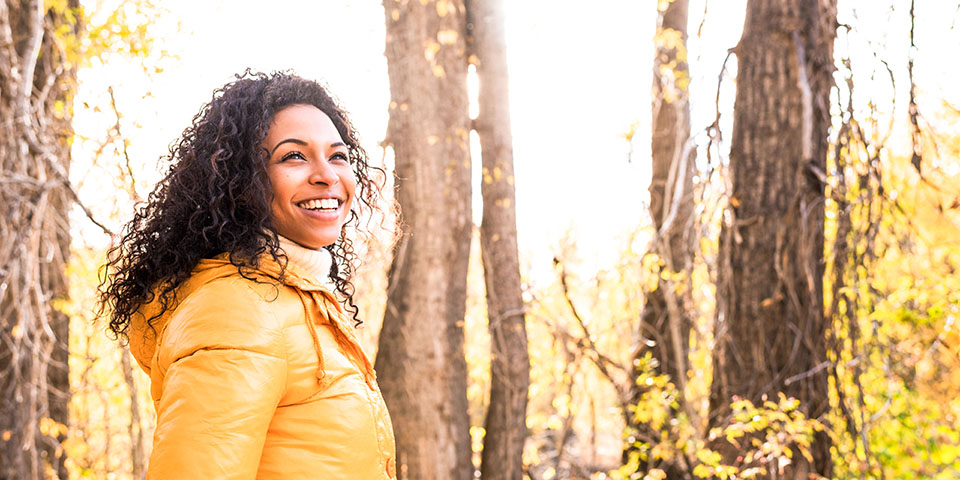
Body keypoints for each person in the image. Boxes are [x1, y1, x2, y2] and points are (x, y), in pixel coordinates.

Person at [98, 70, 397, 479]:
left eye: (338, 155)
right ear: (240, 182)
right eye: (294, 156)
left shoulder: (299, 300)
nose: (327, 174)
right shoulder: (238, 311)